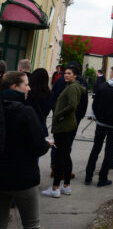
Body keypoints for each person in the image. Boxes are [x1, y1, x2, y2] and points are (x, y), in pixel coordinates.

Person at [0, 71, 52, 227]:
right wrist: (46, 144)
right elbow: (39, 147)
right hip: (23, 179)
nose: (29, 88)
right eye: (26, 84)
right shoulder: (25, 112)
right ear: (15, 87)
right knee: (31, 224)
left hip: (1, 178)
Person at [42, 66, 86, 198]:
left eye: (69, 73)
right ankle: (66, 186)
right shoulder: (72, 86)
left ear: (75, 75)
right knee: (65, 155)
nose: (66, 75)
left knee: (60, 156)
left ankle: (55, 187)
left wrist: (58, 115)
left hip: (64, 126)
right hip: (67, 125)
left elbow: (72, 105)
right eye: (65, 73)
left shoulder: (72, 87)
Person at [27, 68, 51, 137]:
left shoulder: (28, 92)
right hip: (40, 124)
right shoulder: (48, 94)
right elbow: (46, 111)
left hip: (28, 123)